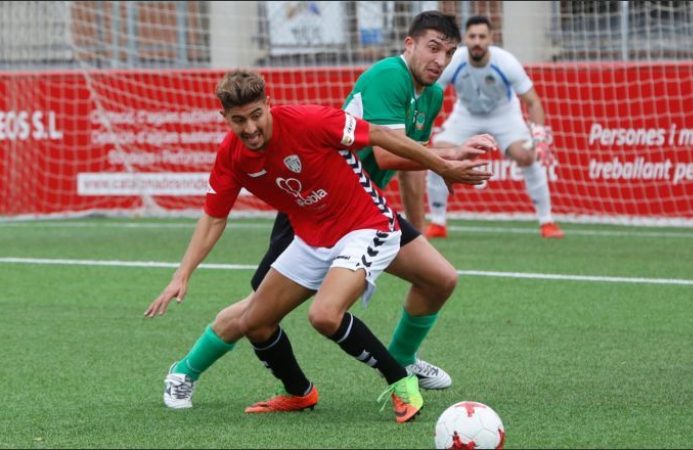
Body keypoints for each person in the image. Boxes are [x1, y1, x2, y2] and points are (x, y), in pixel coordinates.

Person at [144, 69, 489, 423]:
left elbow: (381, 136)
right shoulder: (231, 156)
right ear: (224, 118)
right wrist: (181, 275)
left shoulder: (309, 120)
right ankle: (299, 393)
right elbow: (214, 218)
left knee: (325, 315)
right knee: (255, 322)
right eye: (238, 120)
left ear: (268, 104)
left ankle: (401, 379)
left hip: (365, 225)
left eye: (256, 115)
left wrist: (443, 165)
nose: (250, 128)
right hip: (310, 236)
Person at [244, 11, 495, 393]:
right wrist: (448, 158)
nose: (440, 60)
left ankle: (404, 360)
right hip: (317, 207)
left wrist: (418, 229)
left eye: (448, 53)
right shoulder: (388, 76)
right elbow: (388, 155)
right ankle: (187, 370)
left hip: (365, 214)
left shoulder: (432, 95)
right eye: (432, 48)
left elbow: (412, 162)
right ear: (409, 44)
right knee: (255, 312)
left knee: (440, 278)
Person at [425, 15, 565, 240]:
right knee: (435, 154)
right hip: (466, 114)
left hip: (504, 113)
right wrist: (423, 129)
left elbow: (533, 102)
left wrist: (539, 139)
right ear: (465, 39)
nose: (477, 42)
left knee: (527, 155)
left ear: (491, 38)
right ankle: (437, 222)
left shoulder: (506, 62)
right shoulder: (453, 60)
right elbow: (429, 96)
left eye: (482, 37)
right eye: (472, 37)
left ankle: (547, 221)